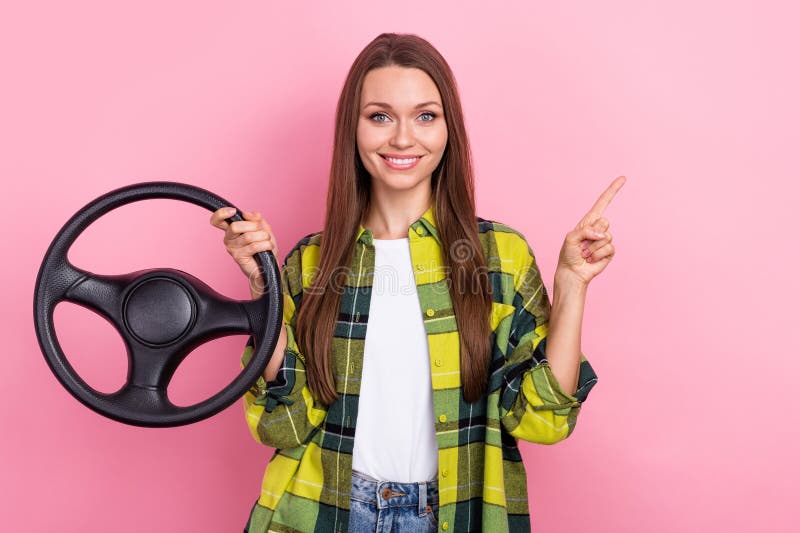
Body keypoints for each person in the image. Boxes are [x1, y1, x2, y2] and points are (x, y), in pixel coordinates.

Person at [210, 32, 622, 533]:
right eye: (380, 116)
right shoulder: (311, 263)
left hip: (451, 516)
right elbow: (284, 423)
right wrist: (264, 288)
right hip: (324, 513)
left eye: (425, 115)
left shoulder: (499, 257)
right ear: (353, 130)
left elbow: (542, 419)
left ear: (449, 129)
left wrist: (572, 284)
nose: (403, 138)